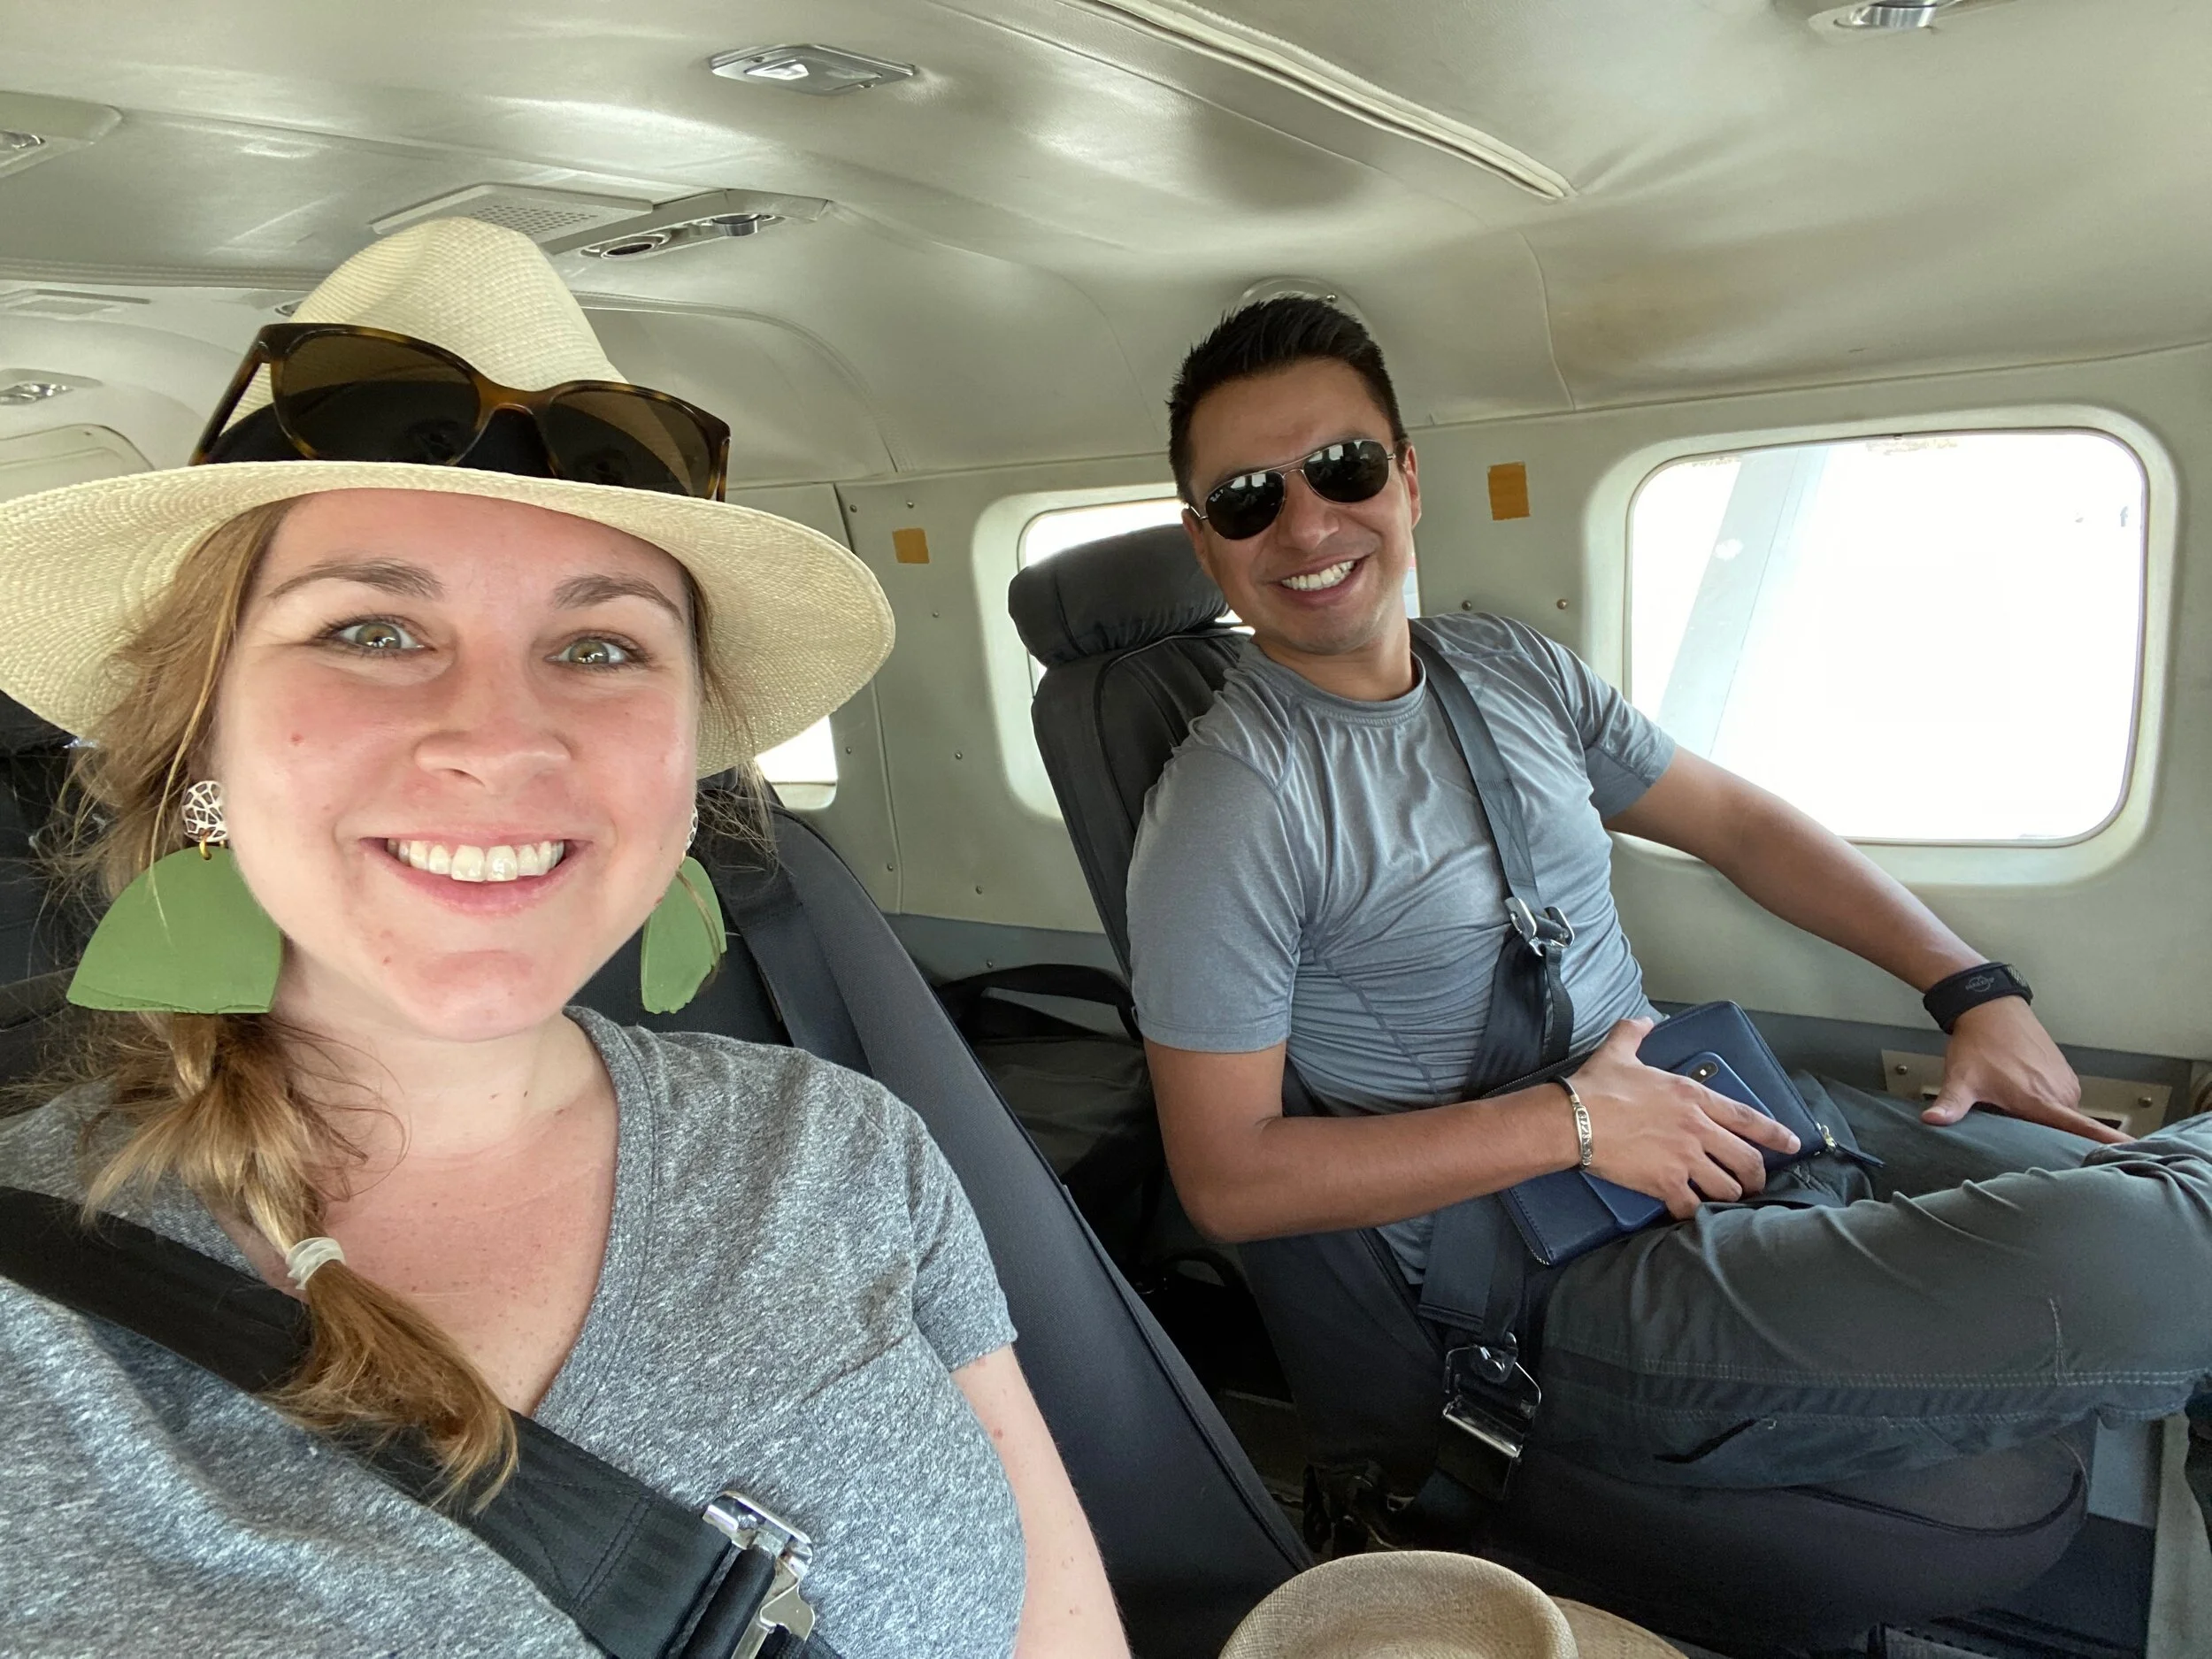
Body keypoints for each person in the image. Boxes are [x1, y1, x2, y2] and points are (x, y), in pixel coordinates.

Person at [0, 218, 1127, 1659]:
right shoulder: (40, 1330)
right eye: (372, 630)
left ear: (684, 765)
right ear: (203, 733)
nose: (498, 739)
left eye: (601, 648)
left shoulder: (846, 1148)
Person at [1128, 296, 2212, 1492]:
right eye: (1249, 497)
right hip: (1549, 1265)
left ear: (1409, 477)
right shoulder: (1233, 801)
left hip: (1709, 1117)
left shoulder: (1503, 665)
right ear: (1204, 538)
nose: (1306, 522)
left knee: (2176, 1195)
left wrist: (1971, 986)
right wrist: (1576, 1122)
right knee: (2177, 1254)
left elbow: (1740, 824)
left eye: (1342, 466)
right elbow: (1228, 1176)